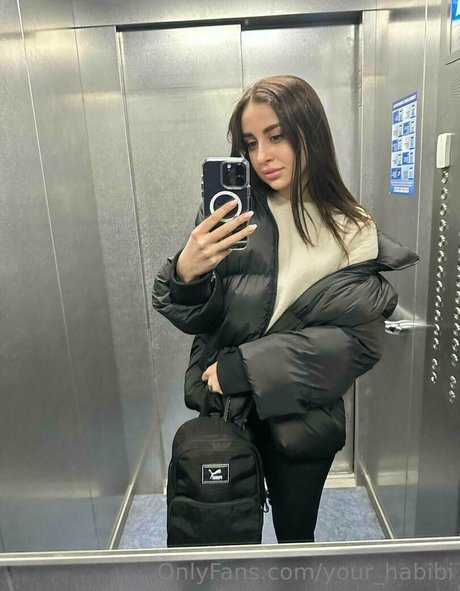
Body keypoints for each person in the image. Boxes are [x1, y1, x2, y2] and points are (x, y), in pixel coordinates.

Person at [152, 75, 419, 543]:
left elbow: (359, 343)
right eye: (251, 143)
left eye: (276, 137)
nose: (262, 157)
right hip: (229, 412)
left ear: (309, 133)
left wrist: (244, 367)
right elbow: (204, 320)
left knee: (296, 537)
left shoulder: (352, 228)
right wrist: (186, 275)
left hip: (304, 418)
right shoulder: (231, 215)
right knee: (227, 535)